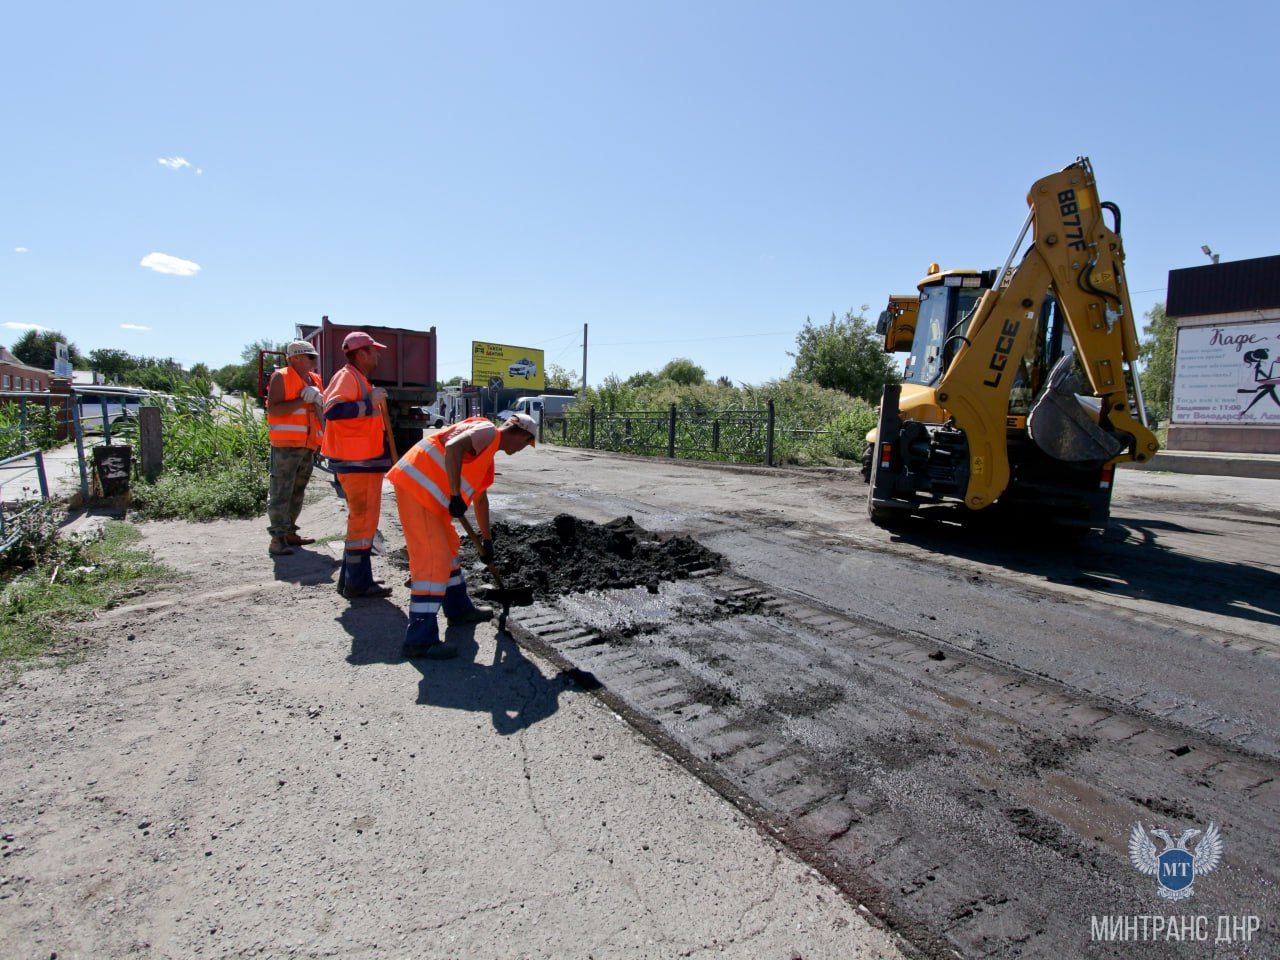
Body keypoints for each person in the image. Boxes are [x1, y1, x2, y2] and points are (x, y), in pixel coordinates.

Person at [386, 412, 537, 659]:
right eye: (526, 443)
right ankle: (419, 639)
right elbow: (454, 447)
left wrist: (487, 541)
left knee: (449, 551)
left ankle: (459, 610)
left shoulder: (486, 459)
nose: (523, 449)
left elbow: (481, 501)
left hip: (430, 500)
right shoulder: (487, 431)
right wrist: (455, 495)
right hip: (418, 491)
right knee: (433, 564)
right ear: (519, 434)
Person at [322, 331, 394, 599]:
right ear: (361, 353)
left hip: (364, 461)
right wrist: (368, 403)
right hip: (356, 462)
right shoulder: (347, 377)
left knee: (363, 520)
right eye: (373, 350)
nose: (377, 355)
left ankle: (351, 579)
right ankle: (358, 583)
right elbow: (332, 411)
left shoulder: (358, 378)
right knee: (362, 521)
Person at [266, 340, 325, 556]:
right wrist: (302, 400)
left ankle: (289, 532)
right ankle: (277, 539)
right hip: (286, 445)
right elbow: (274, 410)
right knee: (281, 490)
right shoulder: (281, 376)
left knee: (297, 491)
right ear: (296, 358)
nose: (314, 361)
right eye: (310, 357)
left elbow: (320, 408)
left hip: (308, 443)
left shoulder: (314, 379)